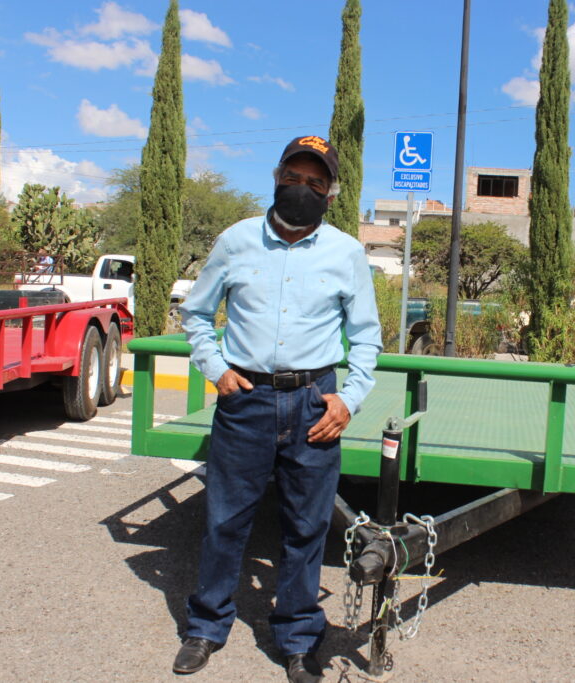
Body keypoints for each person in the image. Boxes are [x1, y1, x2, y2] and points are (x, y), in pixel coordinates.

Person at [173, 135, 382, 681]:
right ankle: (206, 627)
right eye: (294, 176)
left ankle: (296, 638)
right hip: (247, 402)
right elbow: (195, 315)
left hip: (316, 403)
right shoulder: (237, 241)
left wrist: (350, 399)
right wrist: (216, 370)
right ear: (276, 176)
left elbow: (366, 338)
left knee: (307, 527)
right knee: (224, 519)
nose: (303, 188)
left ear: (331, 194)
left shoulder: (346, 253)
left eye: (316, 182)